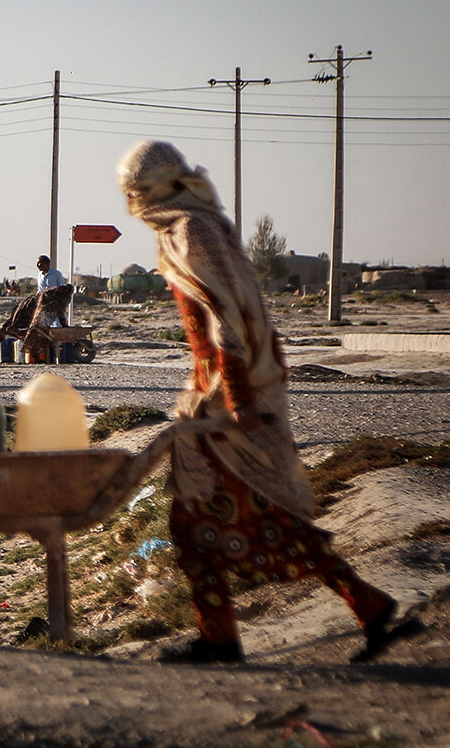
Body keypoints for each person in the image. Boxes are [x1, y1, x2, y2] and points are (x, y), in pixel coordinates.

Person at [118, 140, 418, 664]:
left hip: (232, 399)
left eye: (134, 191)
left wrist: (235, 396)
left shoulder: (192, 231)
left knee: (249, 518)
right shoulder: (185, 229)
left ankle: (354, 609)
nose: (131, 201)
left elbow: (227, 319)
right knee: (200, 519)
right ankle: (232, 634)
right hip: (213, 397)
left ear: (152, 189)